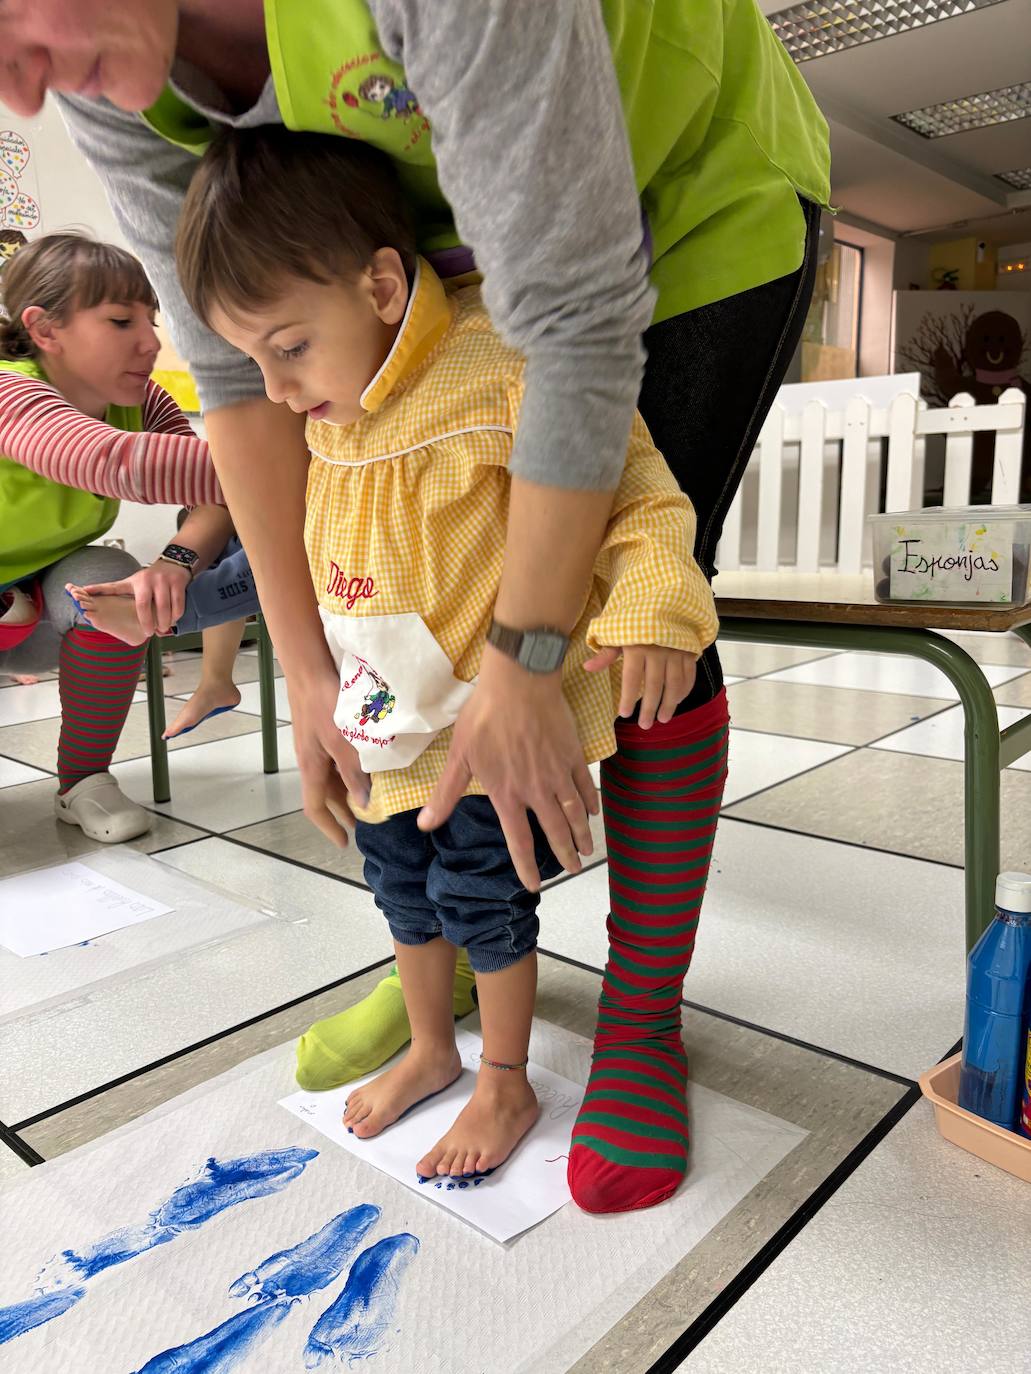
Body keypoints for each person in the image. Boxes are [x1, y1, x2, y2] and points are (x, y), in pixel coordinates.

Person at [0, 0, 830, 1212]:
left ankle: (639, 1021)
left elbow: (580, 333)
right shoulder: (89, 70)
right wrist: (307, 672)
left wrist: (529, 657)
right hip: (413, 283)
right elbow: (236, 378)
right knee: (430, 771)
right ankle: (444, 964)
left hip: (676, 200)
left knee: (638, 629)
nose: (17, 92)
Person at [178, 125, 721, 1180]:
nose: (277, 391)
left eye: (287, 347)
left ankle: (505, 1077)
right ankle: (433, 1046)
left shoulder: (497, 364)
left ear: (383, 285)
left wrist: (654, 609)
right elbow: (292, 542)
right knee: (399, 894)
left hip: (483, 725)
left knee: (485, 897)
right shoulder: (328, 409)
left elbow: (638, 496)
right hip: (381, 726)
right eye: (253, 363)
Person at [0, 234, 257, 839]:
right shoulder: (9, 387)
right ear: (44, 329)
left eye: (152, 318)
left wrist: (177, 560)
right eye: (120, 321)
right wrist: (303, 463)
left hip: (30, 603)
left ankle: (83, 781)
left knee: (105, 584)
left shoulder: (141, 399)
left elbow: (214, 494)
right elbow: (109, 461)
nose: (150, 342)